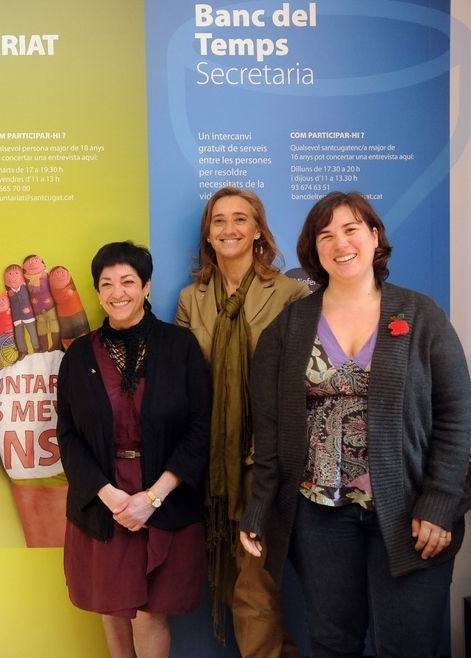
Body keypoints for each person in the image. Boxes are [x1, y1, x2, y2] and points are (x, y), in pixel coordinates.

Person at [240, 191, 471, 657]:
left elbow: (456, 417)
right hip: (318, 514)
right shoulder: (288, 327)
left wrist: (441, 503)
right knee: (332, 643)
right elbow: (269, 430)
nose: (339, 243)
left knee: (406, 646)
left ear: (374, 236)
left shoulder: (420, 315)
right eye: (325, 235)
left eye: (350, 229)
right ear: (314, 250)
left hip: (411, 512)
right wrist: (260, 507)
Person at [57, 241, 210, 658]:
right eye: (106, 284)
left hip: (164, 497)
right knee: (111, 609)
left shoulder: (180, 347)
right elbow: (67, 435)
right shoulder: (78, 356)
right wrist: (108, 495)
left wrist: (153, 498)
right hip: (103, 501)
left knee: (148, 613)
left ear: (146, 286)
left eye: (127, 281)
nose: (117, 292)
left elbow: (200, 428)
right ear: (97, 292)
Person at [175, 187, 306, 655]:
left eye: (240, 219)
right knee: (237, 582)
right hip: (213, 461)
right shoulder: (192, 298)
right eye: (219, 221)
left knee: (253, 584)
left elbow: (298, 382)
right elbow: (187, 381)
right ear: (208, 235)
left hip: (264, 458)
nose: (229, 229)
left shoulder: (289, 293)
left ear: (258, 232)